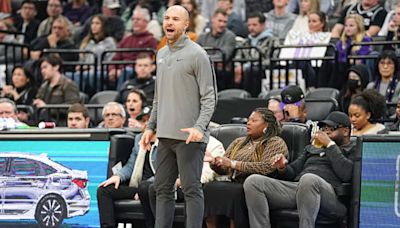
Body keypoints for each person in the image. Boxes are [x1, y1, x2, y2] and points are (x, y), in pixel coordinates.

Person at [140, 5, 217, 228]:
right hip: (164, 135)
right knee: (162, 189)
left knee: (191, 189)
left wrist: (199, 128)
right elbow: (158, 98)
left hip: (190, 137)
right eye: (166, 18)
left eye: (175, 19)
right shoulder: (161, 54)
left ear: (186, 25)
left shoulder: (198, 54)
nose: (169, 22)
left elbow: (210, 98)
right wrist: (150, 127)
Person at [244, 111, 355, 228]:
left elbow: (347, 174)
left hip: (331, 196)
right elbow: (293, 172)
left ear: (345, 131)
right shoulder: (312, 148)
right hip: (299, 188)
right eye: (323, 128)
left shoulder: (353, 149)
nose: (325, 132)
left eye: (331, 129)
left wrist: (330, 145)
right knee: (253, 182)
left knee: (308, 179)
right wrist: (282, 167)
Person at [203, 108, 288, 228]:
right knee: (210, 187)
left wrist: (233, 163)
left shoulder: (275, 142)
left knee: (235, 193)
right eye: (248, 120)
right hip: (234, 181)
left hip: (257, 186)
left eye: (254, 120)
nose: (248, 123)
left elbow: (266, 168)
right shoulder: (239, 142)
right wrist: (215, 162)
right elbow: (225, 169)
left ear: (267, 125)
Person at [97, 131, 158, 228]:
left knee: (145, 188)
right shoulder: (139, 138)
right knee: (104, 190)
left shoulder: (166, 139)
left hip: (157, 187)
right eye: (143, 120)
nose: (147, 122)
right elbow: (131, 165)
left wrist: (142, 190)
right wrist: (118, 176)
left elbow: (166, 173)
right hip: (137, 187)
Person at [108, 7, 158, 89]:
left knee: (127, 71)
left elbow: (145, 61)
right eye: (133, 19)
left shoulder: (151, 40)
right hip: (120, 70)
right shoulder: (126, 39)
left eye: (138, 19)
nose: (135, 21)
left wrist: (121, 70)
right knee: (92, 74)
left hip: (134, 70)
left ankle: (120, 97)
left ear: (146, 22)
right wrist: (112, 69)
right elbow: (115, 58)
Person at [234, 11, 278, 96]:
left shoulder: (272, 40)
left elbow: (271, 61)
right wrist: (238, 66)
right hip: (245, 72)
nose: (251, 28)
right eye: (249, 25)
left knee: (251, 71)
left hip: (264, 71)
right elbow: (237, 58)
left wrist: (248, 66)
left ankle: (252, 98)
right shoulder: (245, 42)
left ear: (263, 25)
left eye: (254, 25)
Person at [197, 8, 236, 90]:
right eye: (220, 21)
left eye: (225, 22)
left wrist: (204, 59)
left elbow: (222, 57)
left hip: (221, 73)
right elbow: (195, 55)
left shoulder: (230, 36)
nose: (222, 24)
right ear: (212, 20)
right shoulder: (203, 37)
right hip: (203, 70)